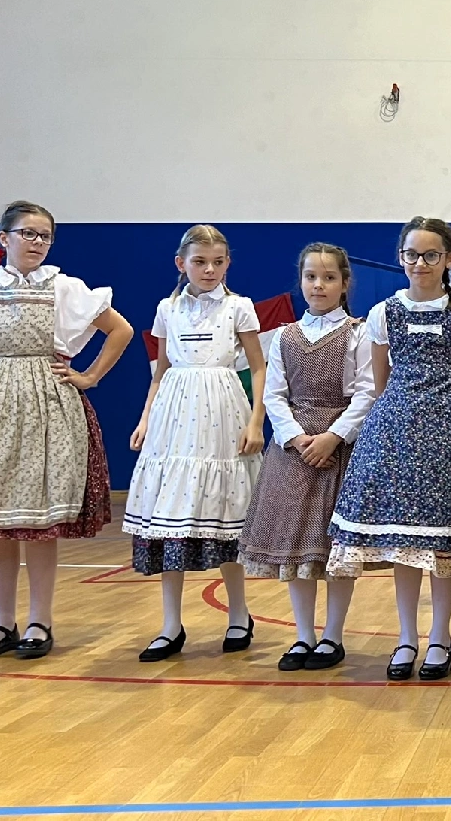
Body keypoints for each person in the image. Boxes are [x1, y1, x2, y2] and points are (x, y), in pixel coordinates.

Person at [0, 201, 133, 660]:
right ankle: (1, 622)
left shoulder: (64, 287)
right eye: (27, 233)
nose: (37, 242)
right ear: (4, 238)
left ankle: (39, 621)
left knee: (39, 521)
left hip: (47, 405)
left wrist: (89, 377)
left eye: (44, 236)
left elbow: (121, 330)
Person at [328, 217, 451, 681]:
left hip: (449, 434)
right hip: (395, 433)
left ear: (448, 259)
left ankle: (440, 636)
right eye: (412, 254)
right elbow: (381, 383)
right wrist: (405, 413)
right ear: (401, 258)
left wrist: (441, 413)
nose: (420, 263)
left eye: (431, 255)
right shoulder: (384, 313)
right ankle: (406, 637)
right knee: (404, 541)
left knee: (442, 542)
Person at [125, 225, 266, 661]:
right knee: (170, 517)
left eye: (218, 262)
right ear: (181, 263)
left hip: (223, 411)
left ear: (228, 264)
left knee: (227, 513)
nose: (209, 270)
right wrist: (146, 418)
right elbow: (161, 371)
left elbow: (259, 367)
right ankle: (170, 624)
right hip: (174, 418)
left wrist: (256, 421)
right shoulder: (166, 309)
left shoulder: (239, 307)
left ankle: (239, 613)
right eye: (200, 261)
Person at [238, 243, 375, 671]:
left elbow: (367, 392)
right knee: (296, 547)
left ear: (344, 283)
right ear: (300, 281)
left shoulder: (358, 333)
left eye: (329, 277)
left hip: (340, 449)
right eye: (311, 277)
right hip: (294, 453)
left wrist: (333, 437)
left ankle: (333, 635)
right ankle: (303, 636)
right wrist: (297, 439)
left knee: (335, 550)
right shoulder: (285, 336)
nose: (319, 285)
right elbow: (274, 394)